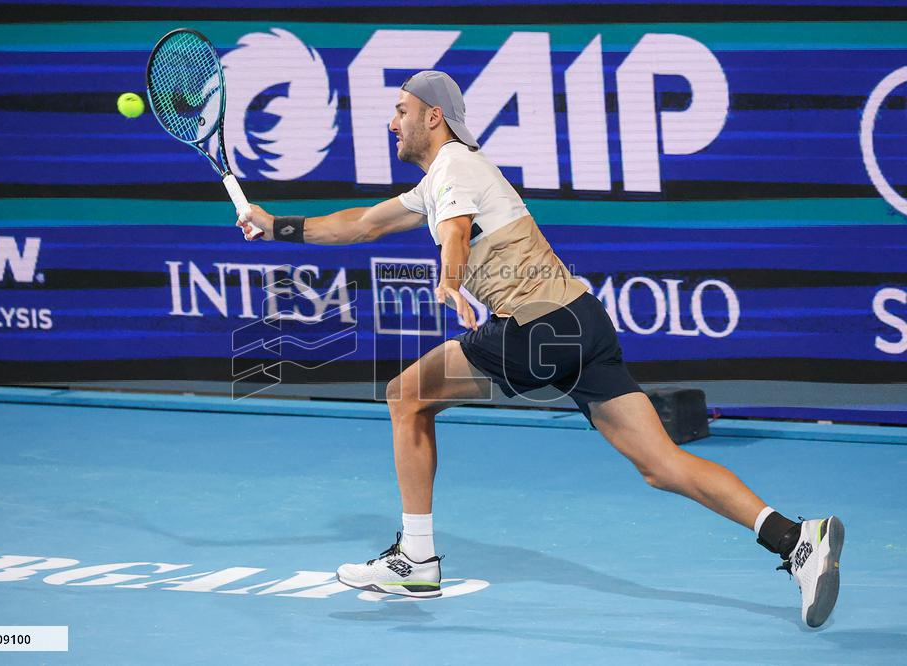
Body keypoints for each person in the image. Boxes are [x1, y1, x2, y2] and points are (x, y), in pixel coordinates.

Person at [237, 70, 843, 628]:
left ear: (433, 117)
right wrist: (275, 225)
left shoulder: (453, 166)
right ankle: (794, 539)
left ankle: (416, 558)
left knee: (406, 395)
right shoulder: (442, 179)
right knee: (661, 465)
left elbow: (455, 233)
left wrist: (450, 281)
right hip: (581, 322)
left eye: (401, 110)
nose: (391, 122)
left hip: (536, 327)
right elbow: (361, 224)